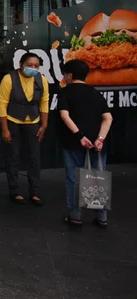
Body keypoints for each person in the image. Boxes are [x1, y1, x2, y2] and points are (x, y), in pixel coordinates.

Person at [58, 59, 113, 228]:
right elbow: (108, 118)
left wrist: (79, 136)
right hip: (97, 145)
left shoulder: (65, 92)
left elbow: (64, 115)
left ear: (70, 75)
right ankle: (101, 217)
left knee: (73, 179)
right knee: (98, 178)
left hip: (73, 143)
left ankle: (75, 216)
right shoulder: (95, 93)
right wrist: (100, 139)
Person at [0, 52, 49, 206]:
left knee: (34, 158)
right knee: (13, 157)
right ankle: (14, 191)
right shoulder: (9, 79)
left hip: (33, 122)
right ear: (21, 64)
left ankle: (35, 192)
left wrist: (44, 124)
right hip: (13, 121)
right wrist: (5, 129)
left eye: (36, 66)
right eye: (29, 65)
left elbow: (44, 102)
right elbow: (2, 103)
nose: (33, 68)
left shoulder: (42, 80)